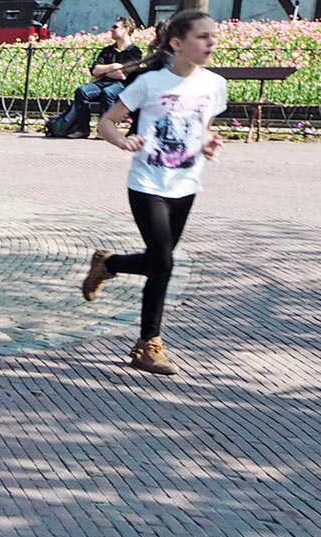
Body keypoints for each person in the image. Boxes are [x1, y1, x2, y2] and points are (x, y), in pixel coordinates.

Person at [83, 9, 227, 377]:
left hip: (186, 184)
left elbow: (203, 128)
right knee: (163, 261)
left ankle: (108, 264)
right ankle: (149, 343)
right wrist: (123, 141)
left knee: (157, 260)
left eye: (212, 36)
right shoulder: (149, 84)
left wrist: (209, 143)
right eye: (202, 36)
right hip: (147, 184)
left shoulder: (213, 85)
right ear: (178, 44)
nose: (211, 43)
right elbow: (106, 123)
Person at [46, 17, 141, 138]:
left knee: (108, 93)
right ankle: (83, 129)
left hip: (121, 85)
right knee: (82, 91)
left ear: (126, 29)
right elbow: (95, 70)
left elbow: (122, 75)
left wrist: (104, 70)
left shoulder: (134, 52)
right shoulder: (107, 50)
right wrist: (113, 66)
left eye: (115, 27)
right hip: (102, 82)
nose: (111, 29)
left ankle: (105, 130)